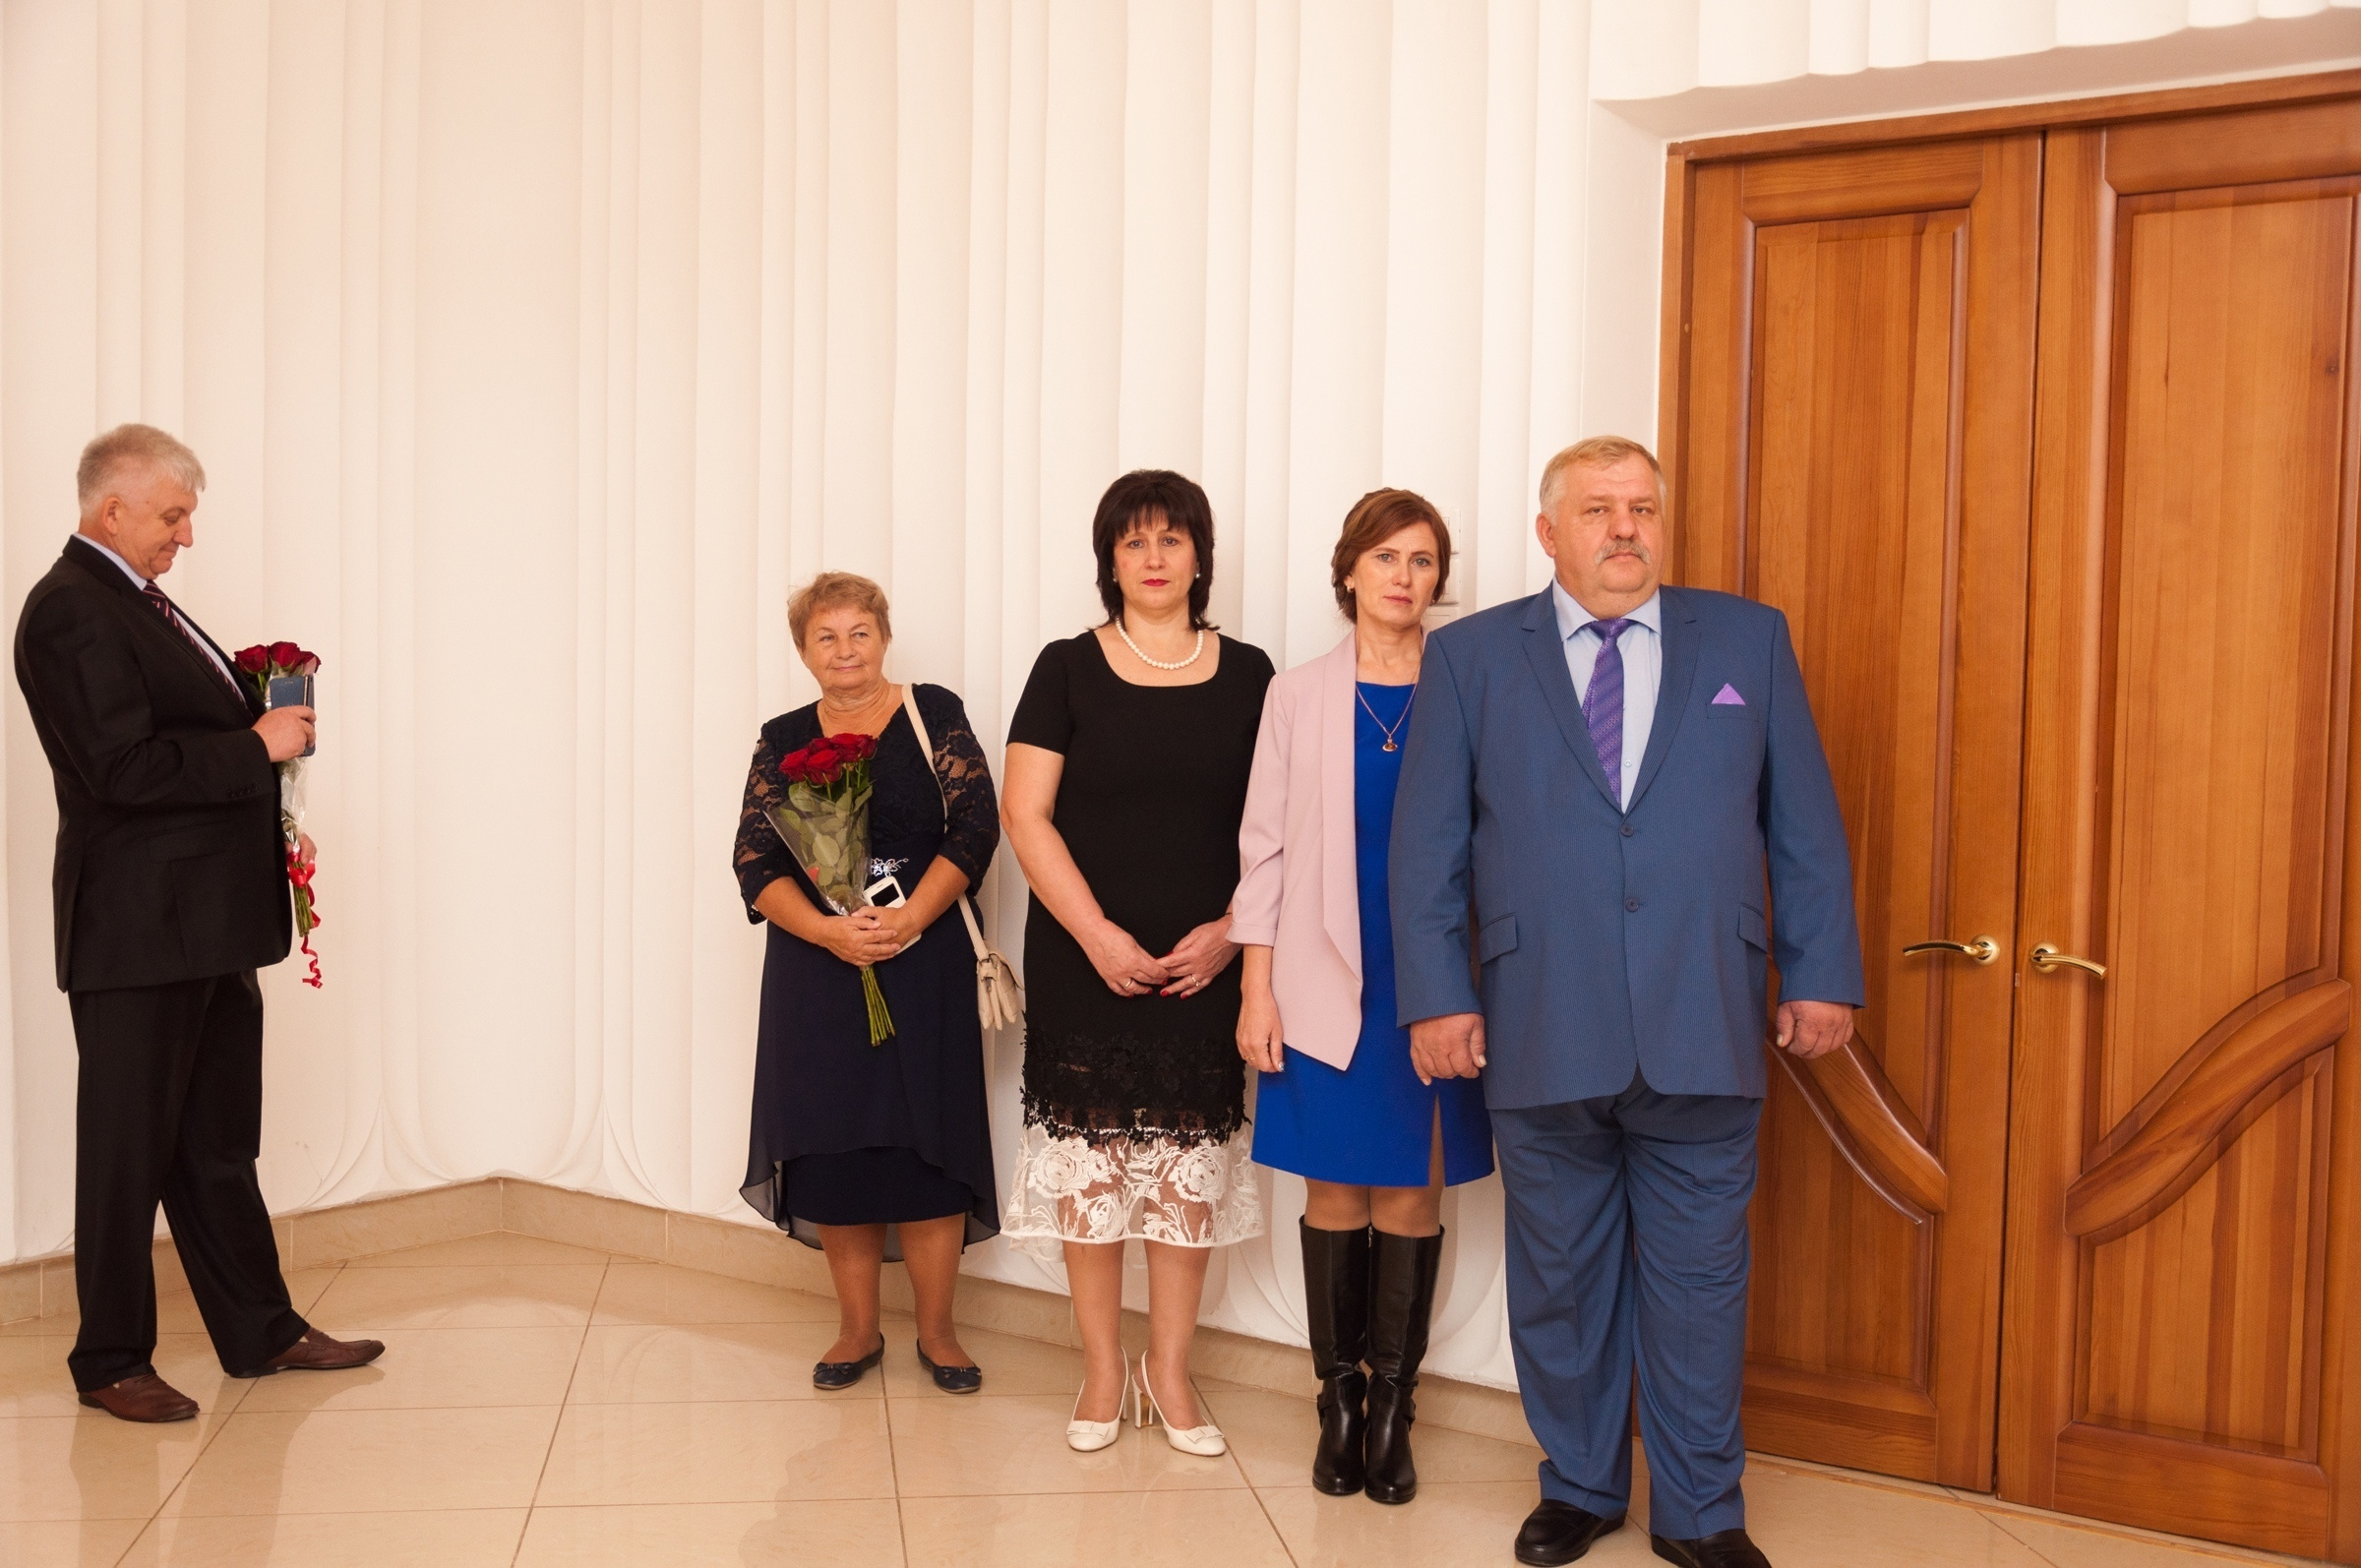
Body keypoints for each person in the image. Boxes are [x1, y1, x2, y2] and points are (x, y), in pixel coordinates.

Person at [1389, 437, 1864, 1568]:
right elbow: (1426, 851)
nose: (1625, 529)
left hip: (1705, 1012)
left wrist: (1824, 970)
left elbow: (1801, 823)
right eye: (1598, 510)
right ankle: (1583, 1485)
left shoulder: (1747, 638)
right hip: (1536, 1013)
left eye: (1643, 507)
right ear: (1549, 533)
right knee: (1560, 1276)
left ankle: (1702, 1512)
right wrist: (1437, 998)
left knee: (1701, 1285)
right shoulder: (1468, 659)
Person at [12, 424, 386, 1422]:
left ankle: (259, 1327)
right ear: (112, 507)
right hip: (138, 933)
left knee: (216, 1141)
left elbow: (166, 736)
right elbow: (120, 771)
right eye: (174, 515)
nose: (186, 536)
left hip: (205, 926)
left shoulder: (138, 603)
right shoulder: (68, 610)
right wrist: (255, 745)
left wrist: (257, 708)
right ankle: (110, 1360)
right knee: (126, 1149)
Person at [999, 470, 1274, 1457]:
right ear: (1109, 559)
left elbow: (1279, 826)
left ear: (1200, 556)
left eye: (1171, 540)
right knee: (1095, 1167)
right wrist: (1096, 934)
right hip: (1087, 957)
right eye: (1134, 542)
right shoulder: (1067, 667)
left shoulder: (1250, 673)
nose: (1154, 558)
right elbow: (1024, 815)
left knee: (1184, 1173)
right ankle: (1103, 1369)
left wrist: (1233, 928)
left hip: (1205, 962)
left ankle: (1170, 1370)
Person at [1232, 488, 1493, 1504]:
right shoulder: (1297, 695)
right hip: (1317, 972)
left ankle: (1395, 1411)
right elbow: (1264, 849)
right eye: (1385, 557)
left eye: (1423, 560)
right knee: (1335, 1191)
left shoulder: (1470, 684)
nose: (1403, 576)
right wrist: (1256, 991)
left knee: (1414, 1193)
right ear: (1349, 572)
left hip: (1435, 978)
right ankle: (1335, 1402)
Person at [734, 572, 1001, 1393]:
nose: (844, 650)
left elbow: (979, 824)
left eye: (859, 632)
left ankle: (939, 1334)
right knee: (835, 1146)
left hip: (923, 961)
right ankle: (855, 1330)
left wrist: (912, 918)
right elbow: (753, 859)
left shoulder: (933, 710)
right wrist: (827, 931)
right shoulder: (781, 737)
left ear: (884, 637)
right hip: (819, 972)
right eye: (826, 636)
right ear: (803, 650)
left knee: (927, 1145)